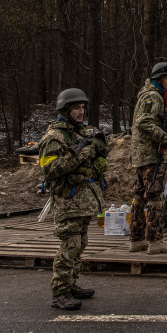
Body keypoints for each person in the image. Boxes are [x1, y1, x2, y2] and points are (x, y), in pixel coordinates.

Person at [38, 88, 108, 310]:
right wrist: (84, 154)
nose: (80, 112)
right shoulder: (54, 138)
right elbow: (49, 169)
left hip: (84, 200)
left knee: (80, 244)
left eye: (82, 108)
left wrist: (97, 157)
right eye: (76, 108)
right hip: (68, 202)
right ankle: (60, 292)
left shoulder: (80, 132)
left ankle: (70, 284)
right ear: (65, 110)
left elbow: (92, 157)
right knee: (70, 245)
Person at [129, 61, 167, 254]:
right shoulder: (153, 97)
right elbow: (144, 123)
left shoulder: (149, 95)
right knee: (155, 198)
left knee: (139, 197)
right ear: (158, 79)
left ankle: (136, 239)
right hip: (152, 154)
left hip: (143, 154)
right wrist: (165, 138)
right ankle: (155, 240)